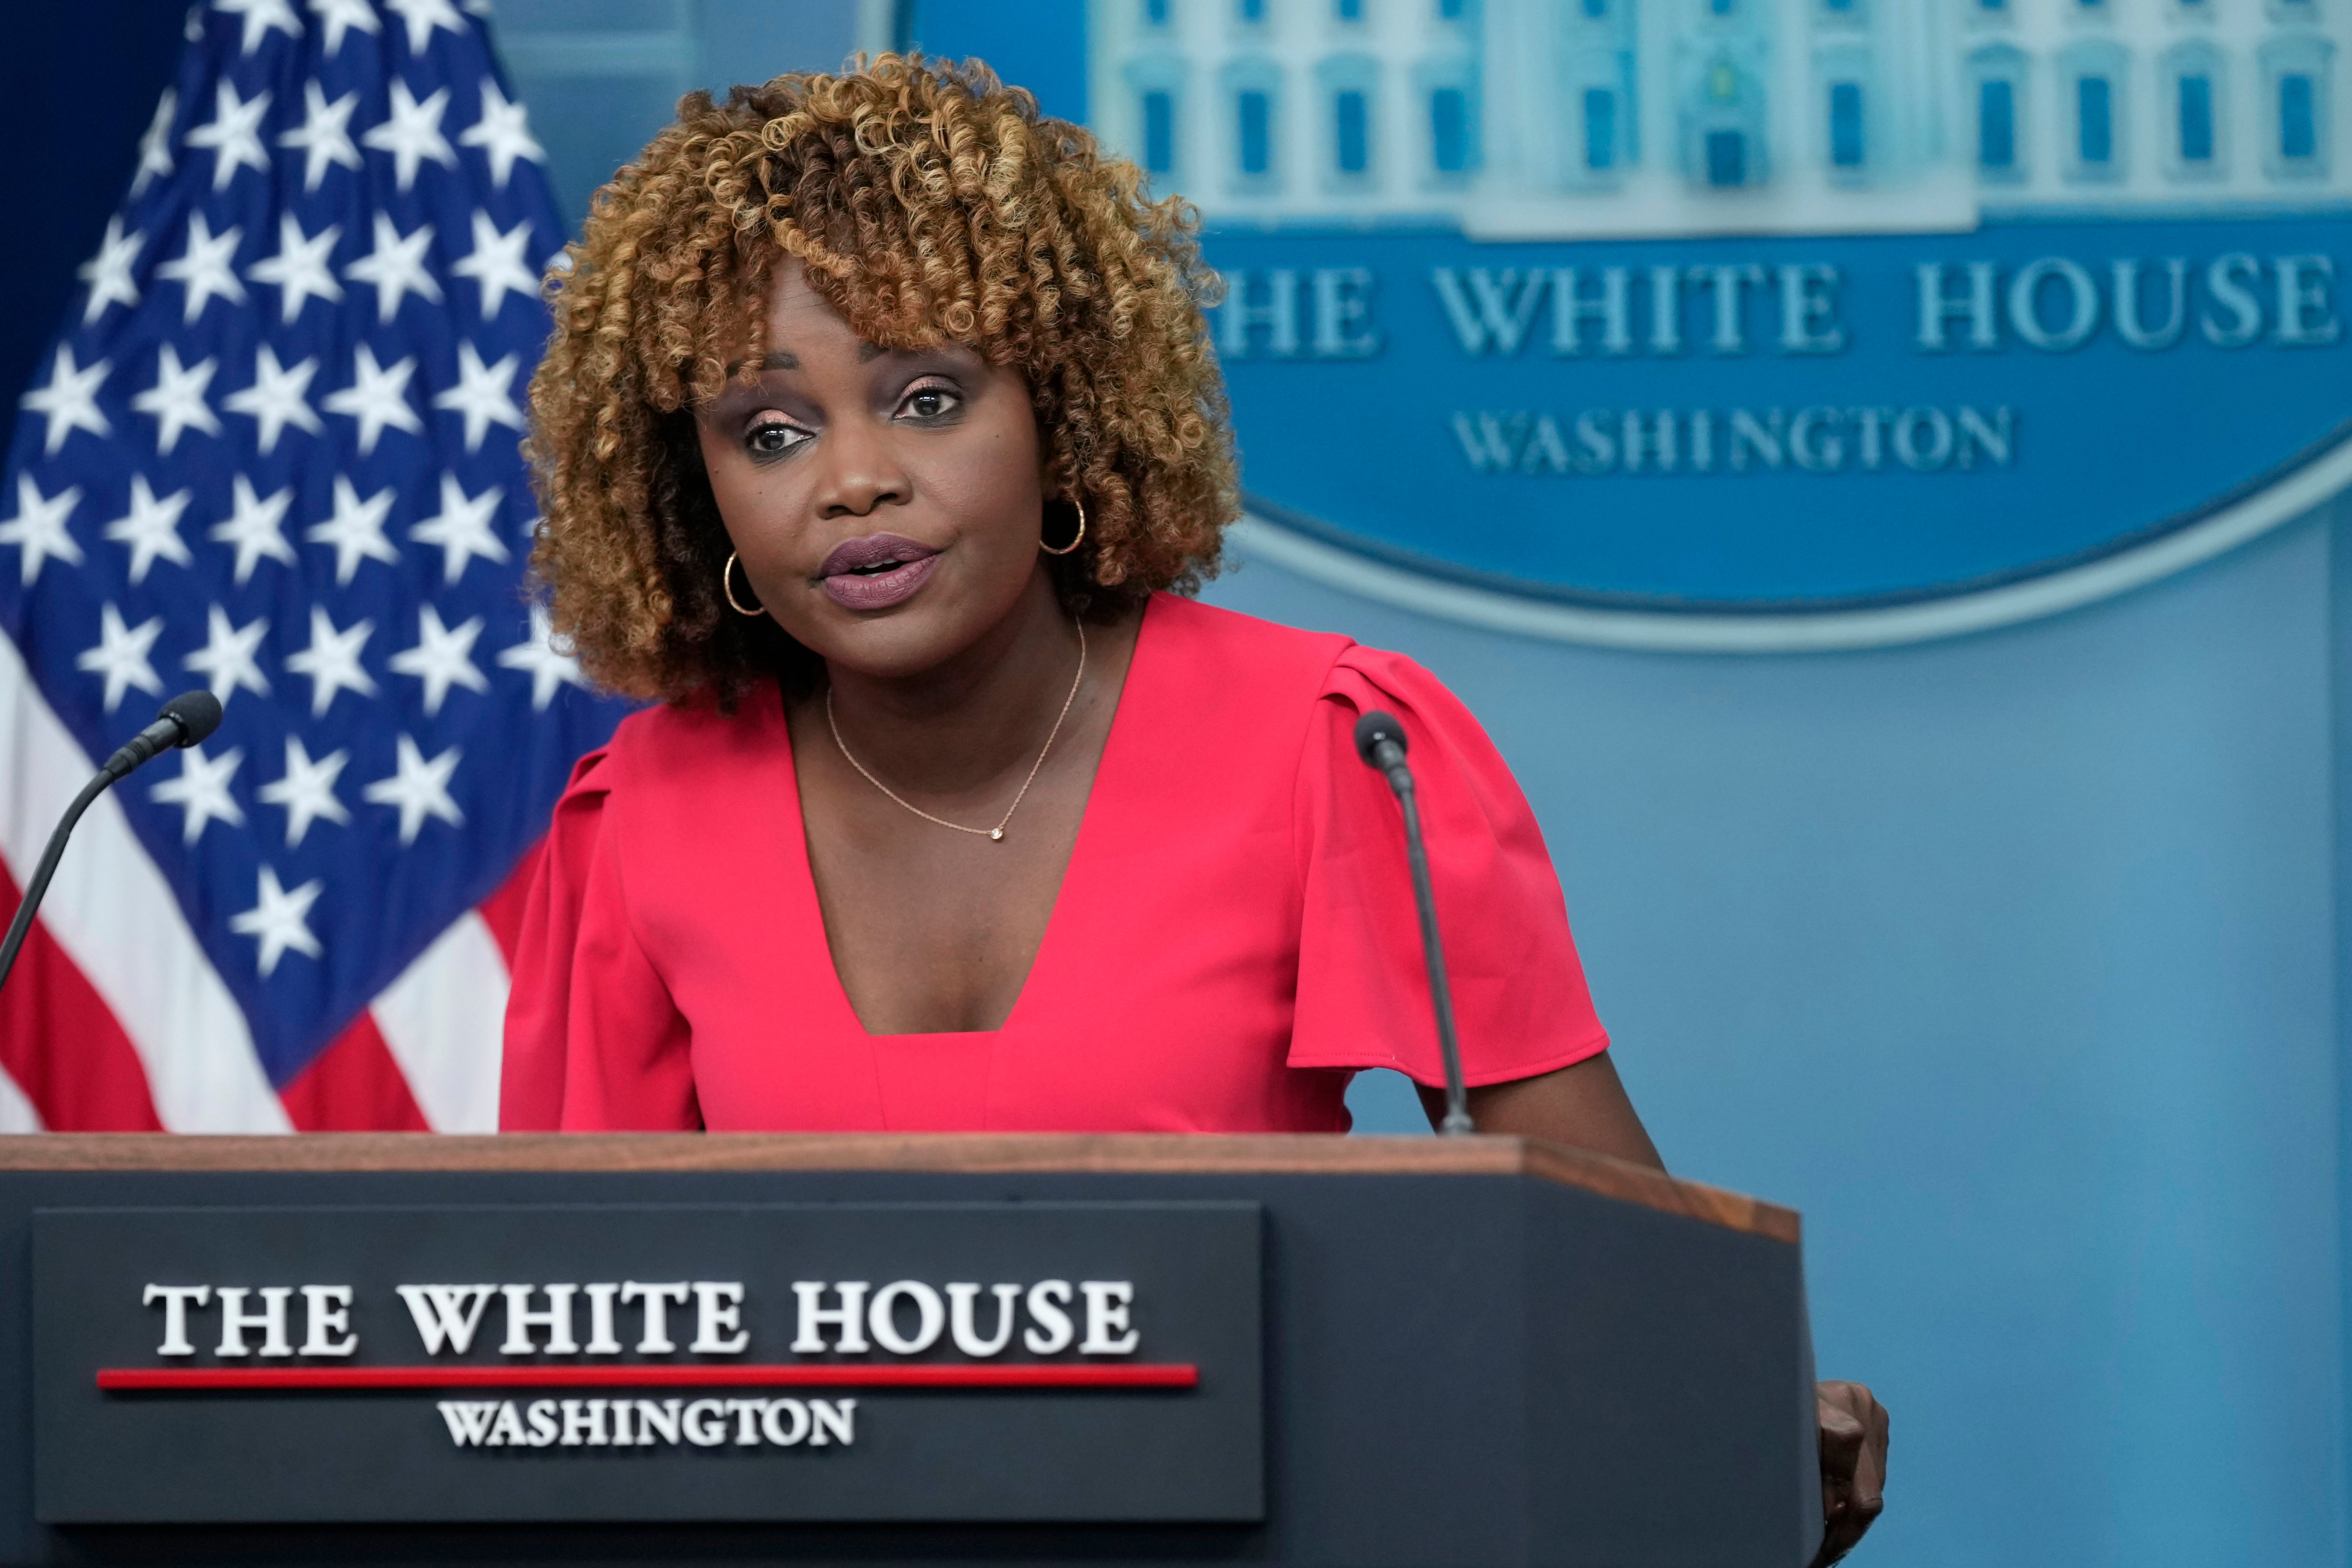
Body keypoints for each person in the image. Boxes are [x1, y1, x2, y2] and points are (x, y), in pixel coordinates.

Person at [501, 56, 1886, 1562]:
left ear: (1062, 413)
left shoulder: (1334, 744)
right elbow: (576, 1348)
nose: (851, 481)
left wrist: (1752, 1415)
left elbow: (1603, 1253)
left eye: (926, 397)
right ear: (689, 486)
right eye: (767, 432)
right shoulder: (636, 814)